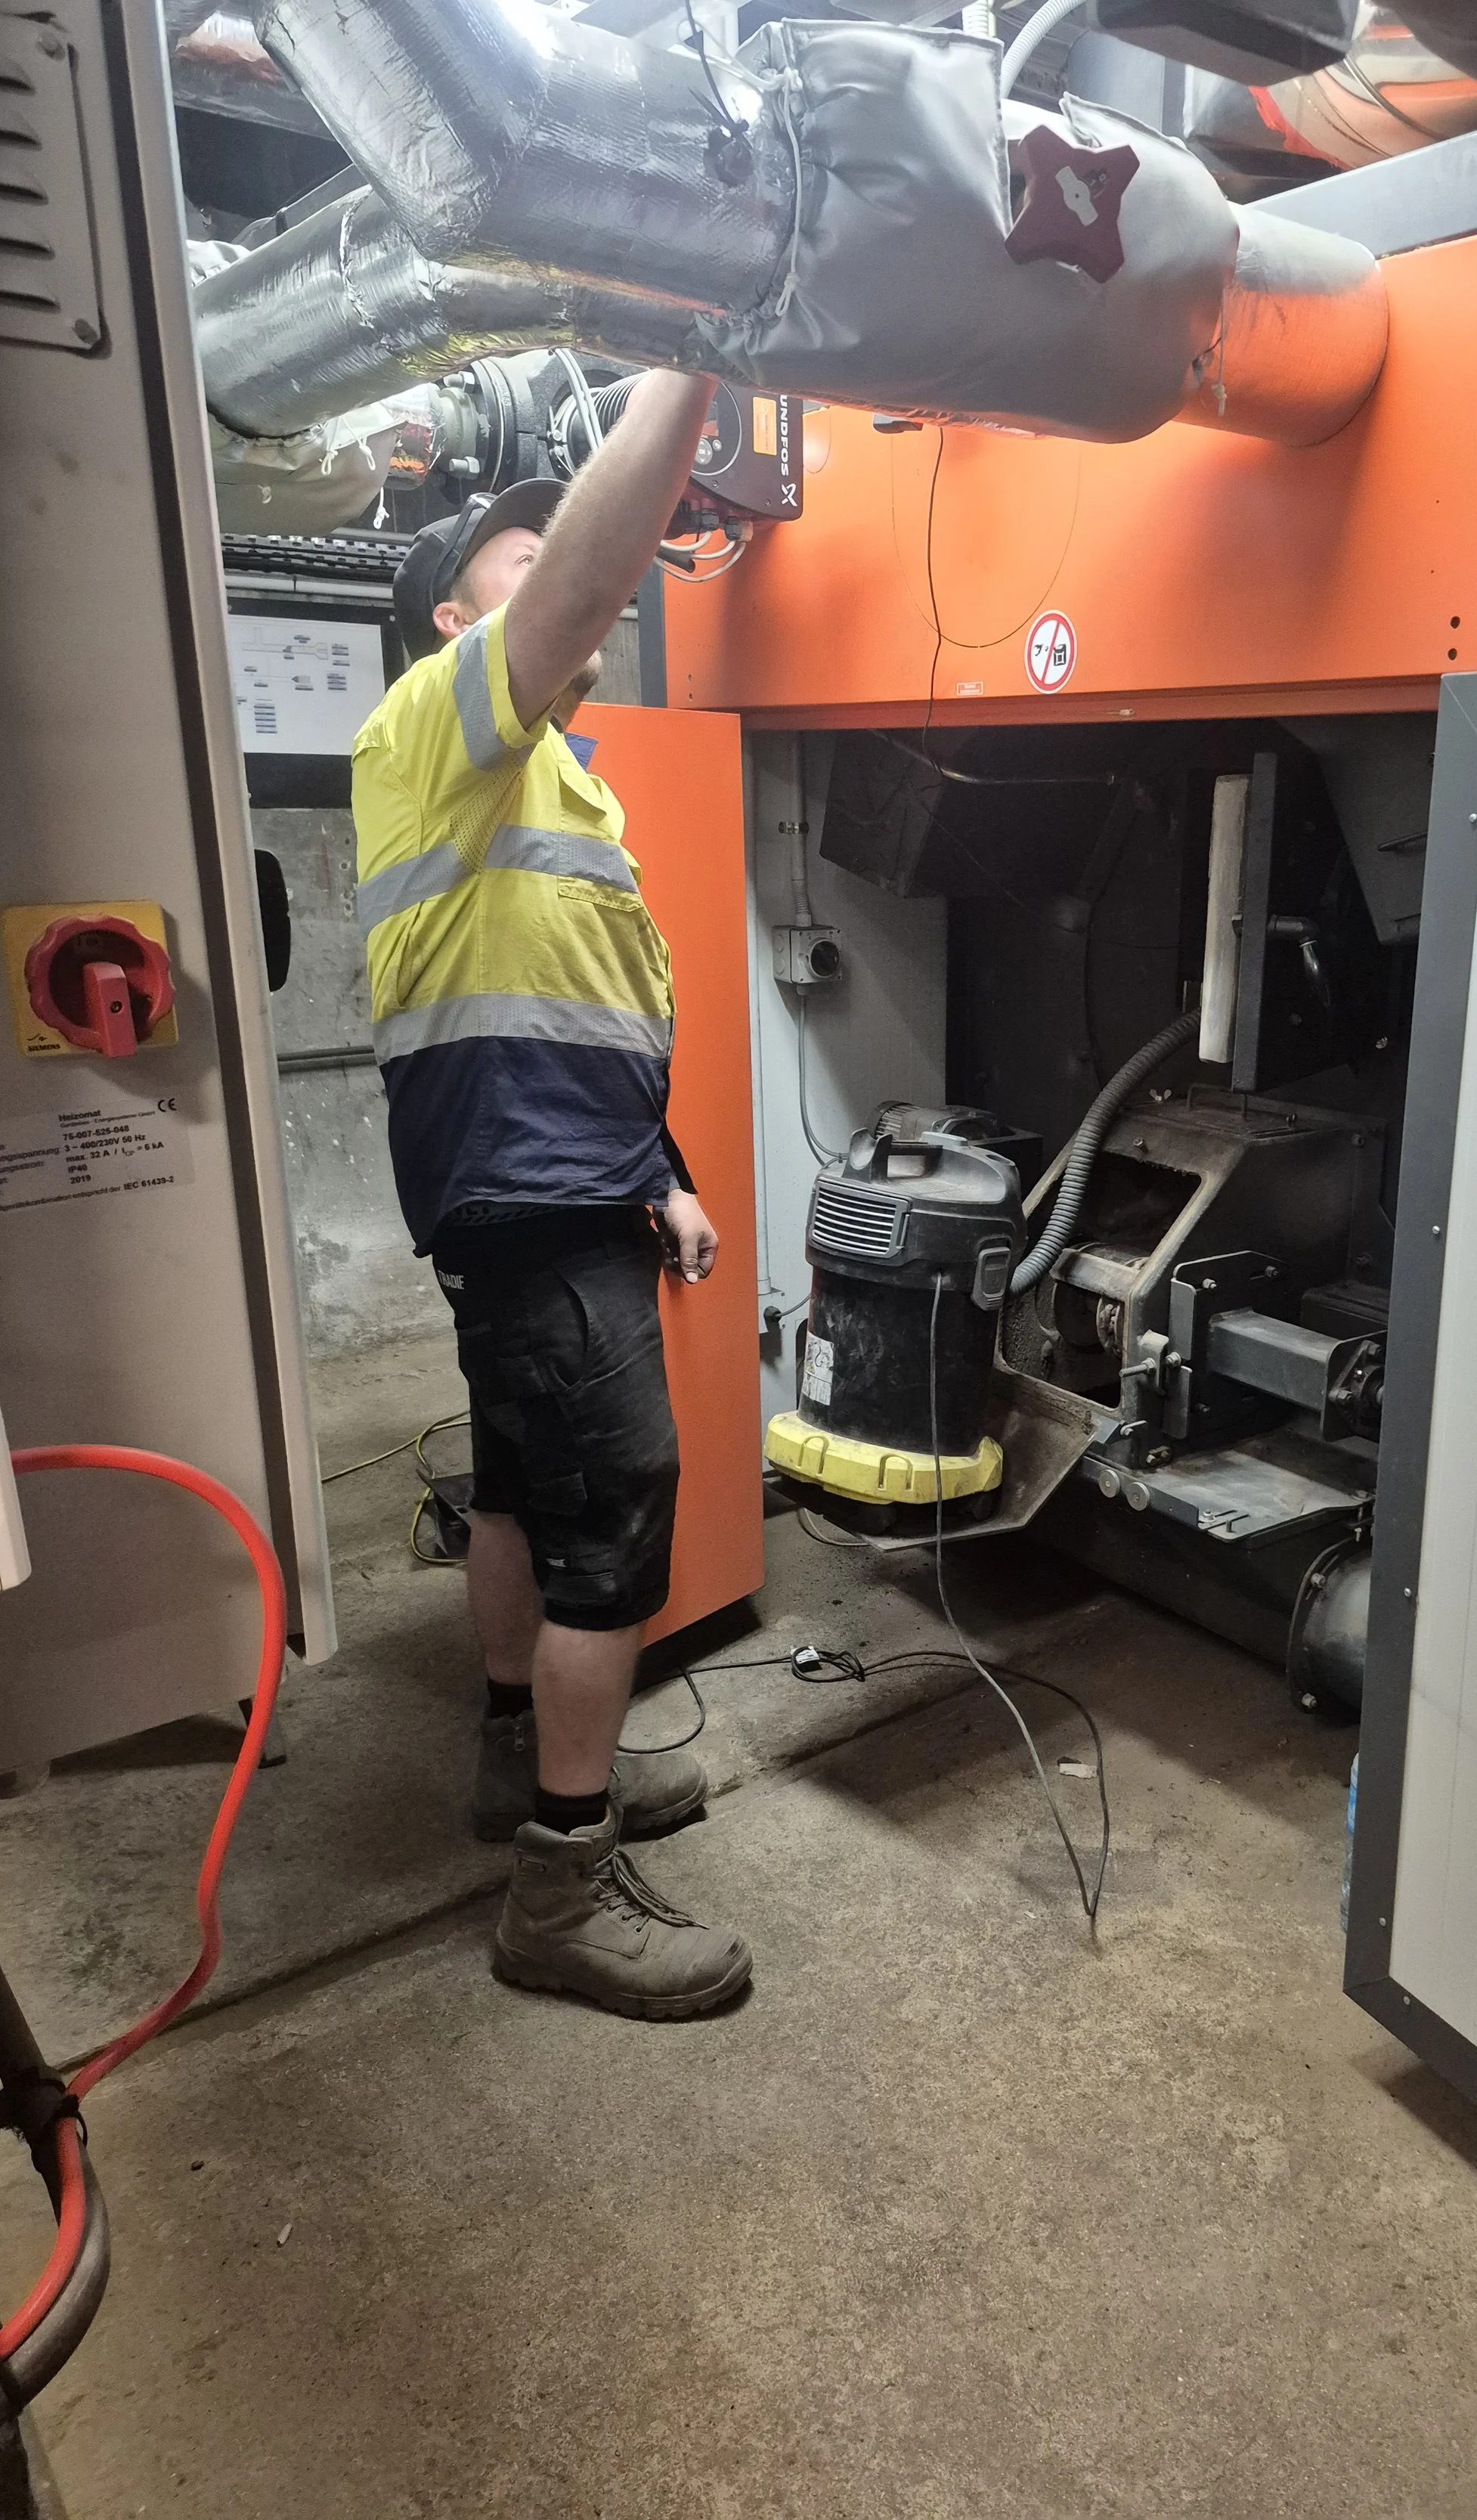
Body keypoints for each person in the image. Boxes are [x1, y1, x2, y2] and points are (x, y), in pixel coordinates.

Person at [351, 368, 751, 2021]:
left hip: (555, 1187)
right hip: (518, 1196)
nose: (558, 573)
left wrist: (653, 1176)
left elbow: (576, 1008)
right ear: (449, 620)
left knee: (519, 1488)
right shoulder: (434, 722)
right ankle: (560, 1887)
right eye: (516, 563)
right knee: (613, 1524)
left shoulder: (555, 781)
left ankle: (519, 1764)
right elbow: (592, 579)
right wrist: (684, 375)